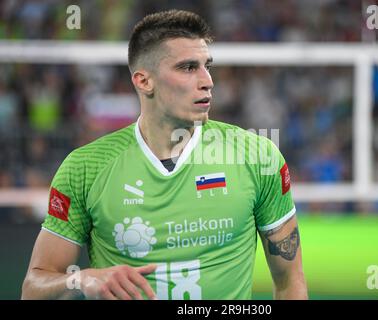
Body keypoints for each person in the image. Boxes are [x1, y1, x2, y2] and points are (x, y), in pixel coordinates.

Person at [21, 9, 308, 300]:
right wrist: (80, 279)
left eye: (207, 66)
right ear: (144, 81)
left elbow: (290, 282)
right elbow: (34, 287)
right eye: (187, 68)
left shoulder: (257, 156)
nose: (207, 80)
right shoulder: (86, 168)